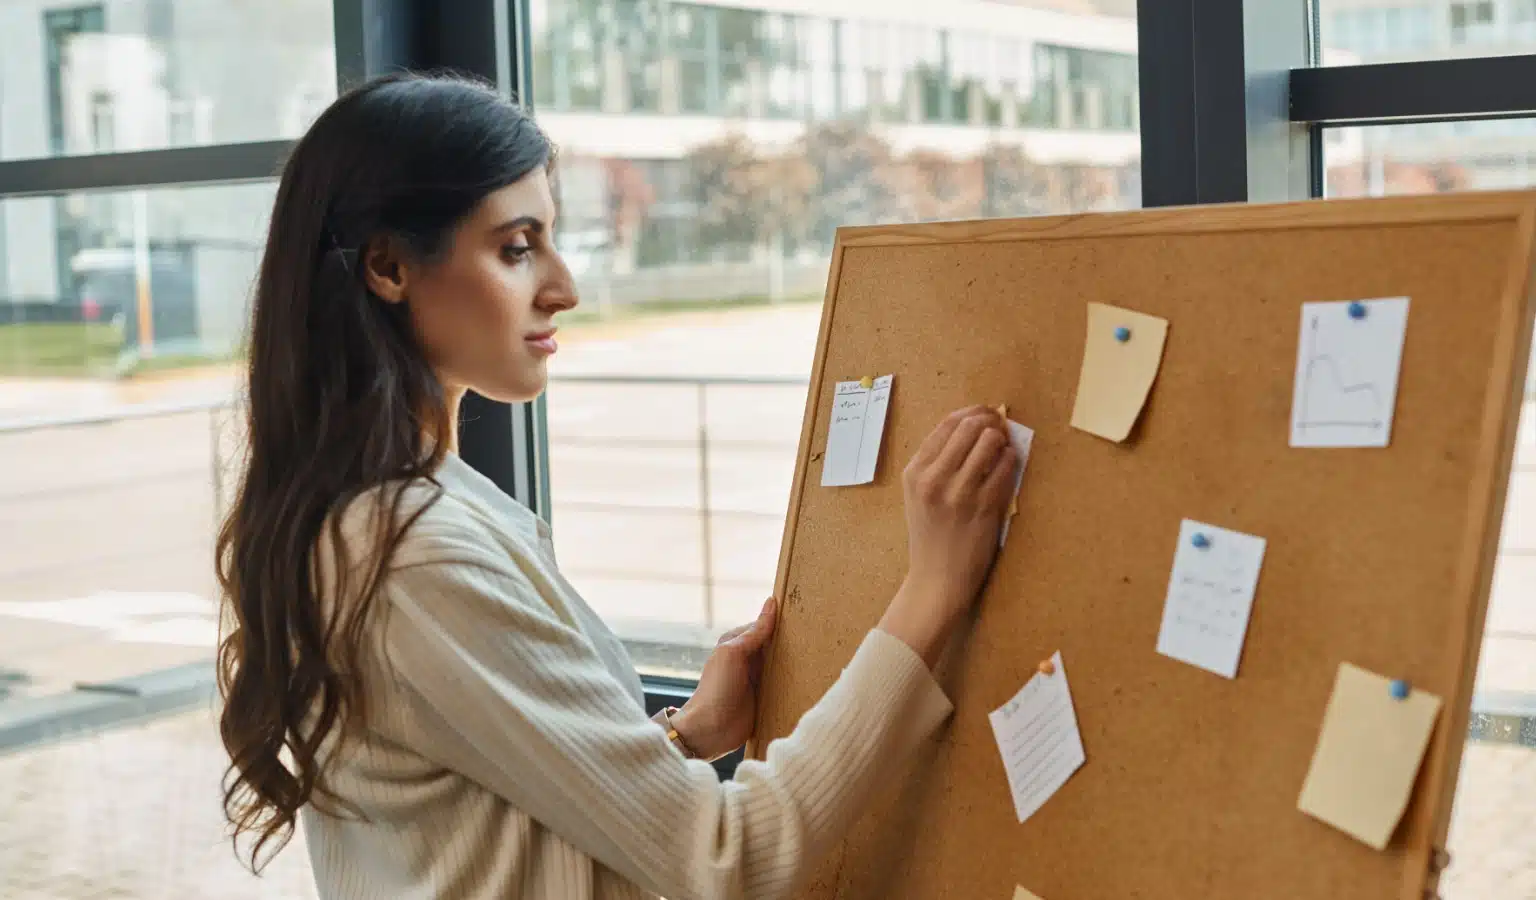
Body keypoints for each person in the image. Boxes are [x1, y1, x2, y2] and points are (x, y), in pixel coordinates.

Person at [215, 72, 1017, 900]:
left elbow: (485, 820)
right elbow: (729, 857)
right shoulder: (409, 555)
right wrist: (932, 590)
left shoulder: (393, 512)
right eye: (516, 248)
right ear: (389, 266)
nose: (564, 287)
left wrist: (683, 738)